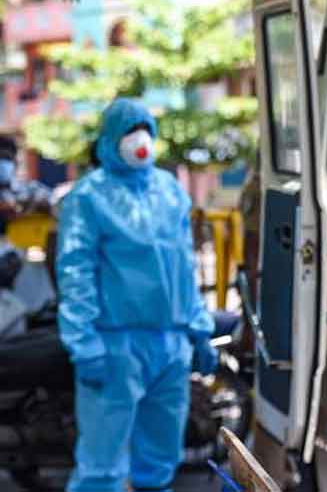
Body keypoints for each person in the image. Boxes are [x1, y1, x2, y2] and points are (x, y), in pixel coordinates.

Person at [56, 98, 218, 492]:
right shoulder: (88, 197)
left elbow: (184, 267)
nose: (139, 140)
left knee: (161, 459)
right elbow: (75, 272)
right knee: (101, 463)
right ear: (109, 140)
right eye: (129, 131)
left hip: (170, 343)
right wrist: (84, 342)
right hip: (114, 344)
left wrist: (199, 330)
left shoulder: (169, 191)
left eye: (144, 128)